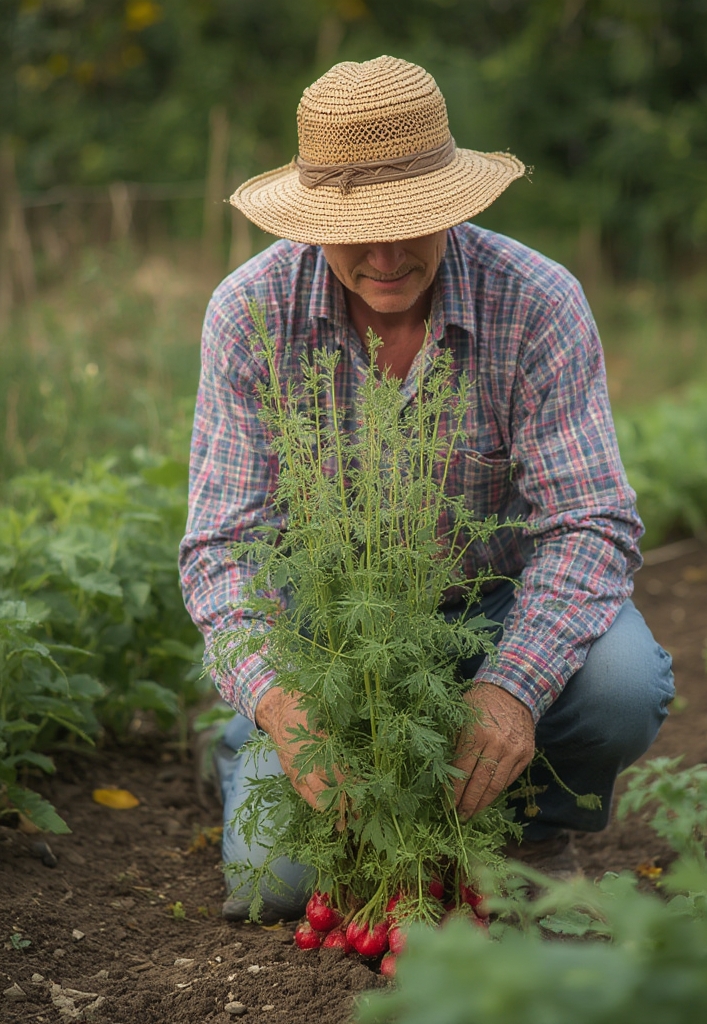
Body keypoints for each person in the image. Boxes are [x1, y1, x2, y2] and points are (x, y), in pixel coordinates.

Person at [180, 55, 675, 921]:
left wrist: (510, 688)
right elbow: (221, 552)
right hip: (334, 648)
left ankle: (532, 827)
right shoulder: (249, 313)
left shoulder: (537, 301)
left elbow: (591, 524)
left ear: (451, 202)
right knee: (280, 890)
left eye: (410, 222)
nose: (384, 254)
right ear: (312, 221)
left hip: (497, 610)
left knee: (624, 683)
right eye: (355, 227)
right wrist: (289, 709)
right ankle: (243, 742)